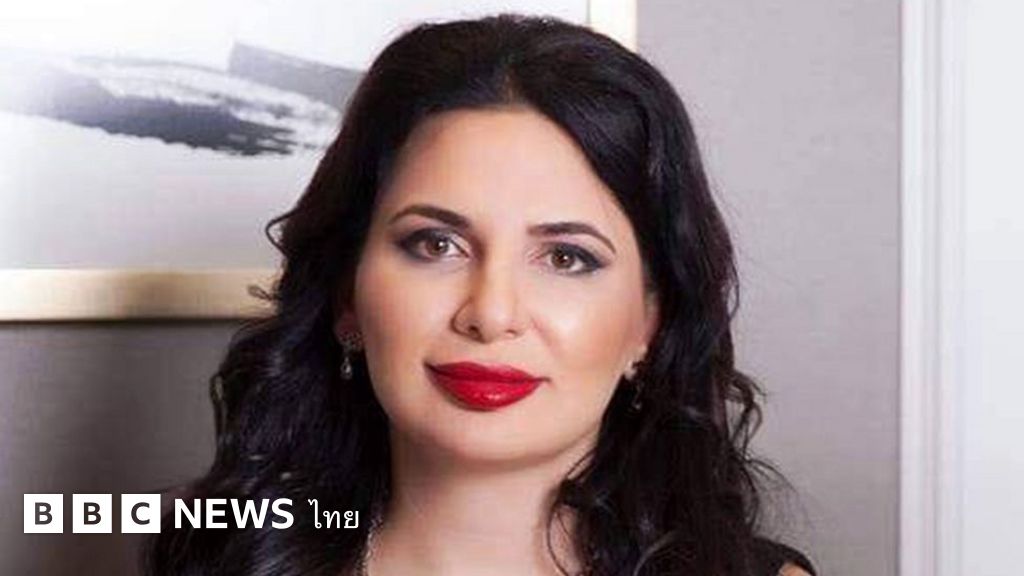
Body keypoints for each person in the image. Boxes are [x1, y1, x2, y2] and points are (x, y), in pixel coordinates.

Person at [145, 13, 817, 576]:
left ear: (650, 321)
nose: (491, 315)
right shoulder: (218, 559)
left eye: (566, 258)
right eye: (436, 244)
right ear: (348, 294)